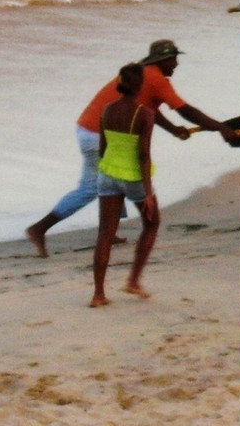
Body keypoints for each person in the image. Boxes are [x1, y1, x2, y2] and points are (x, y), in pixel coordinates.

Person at [25, 38, 236, 256]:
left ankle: (109, 231)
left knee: (119, 175)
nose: (176, 64)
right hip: (98, 134)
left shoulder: (140, 73)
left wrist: (173, 129)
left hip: (91, 129)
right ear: (163, 60)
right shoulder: (156, 79)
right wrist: (220, 127)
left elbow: (149, 108)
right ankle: (39, 228)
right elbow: (185, 110)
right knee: (93, 187)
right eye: (173, 59)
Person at [91, 65, 158, 305]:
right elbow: (143, 155)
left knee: (105, 235)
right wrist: (147, 193)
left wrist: (110, 175)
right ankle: (133, 281)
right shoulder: (145, 113)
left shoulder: (107, 110)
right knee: (152, 223)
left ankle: (98, 294)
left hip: (107, 173)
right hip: (133, 177)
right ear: (139, 85)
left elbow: (102, 149)